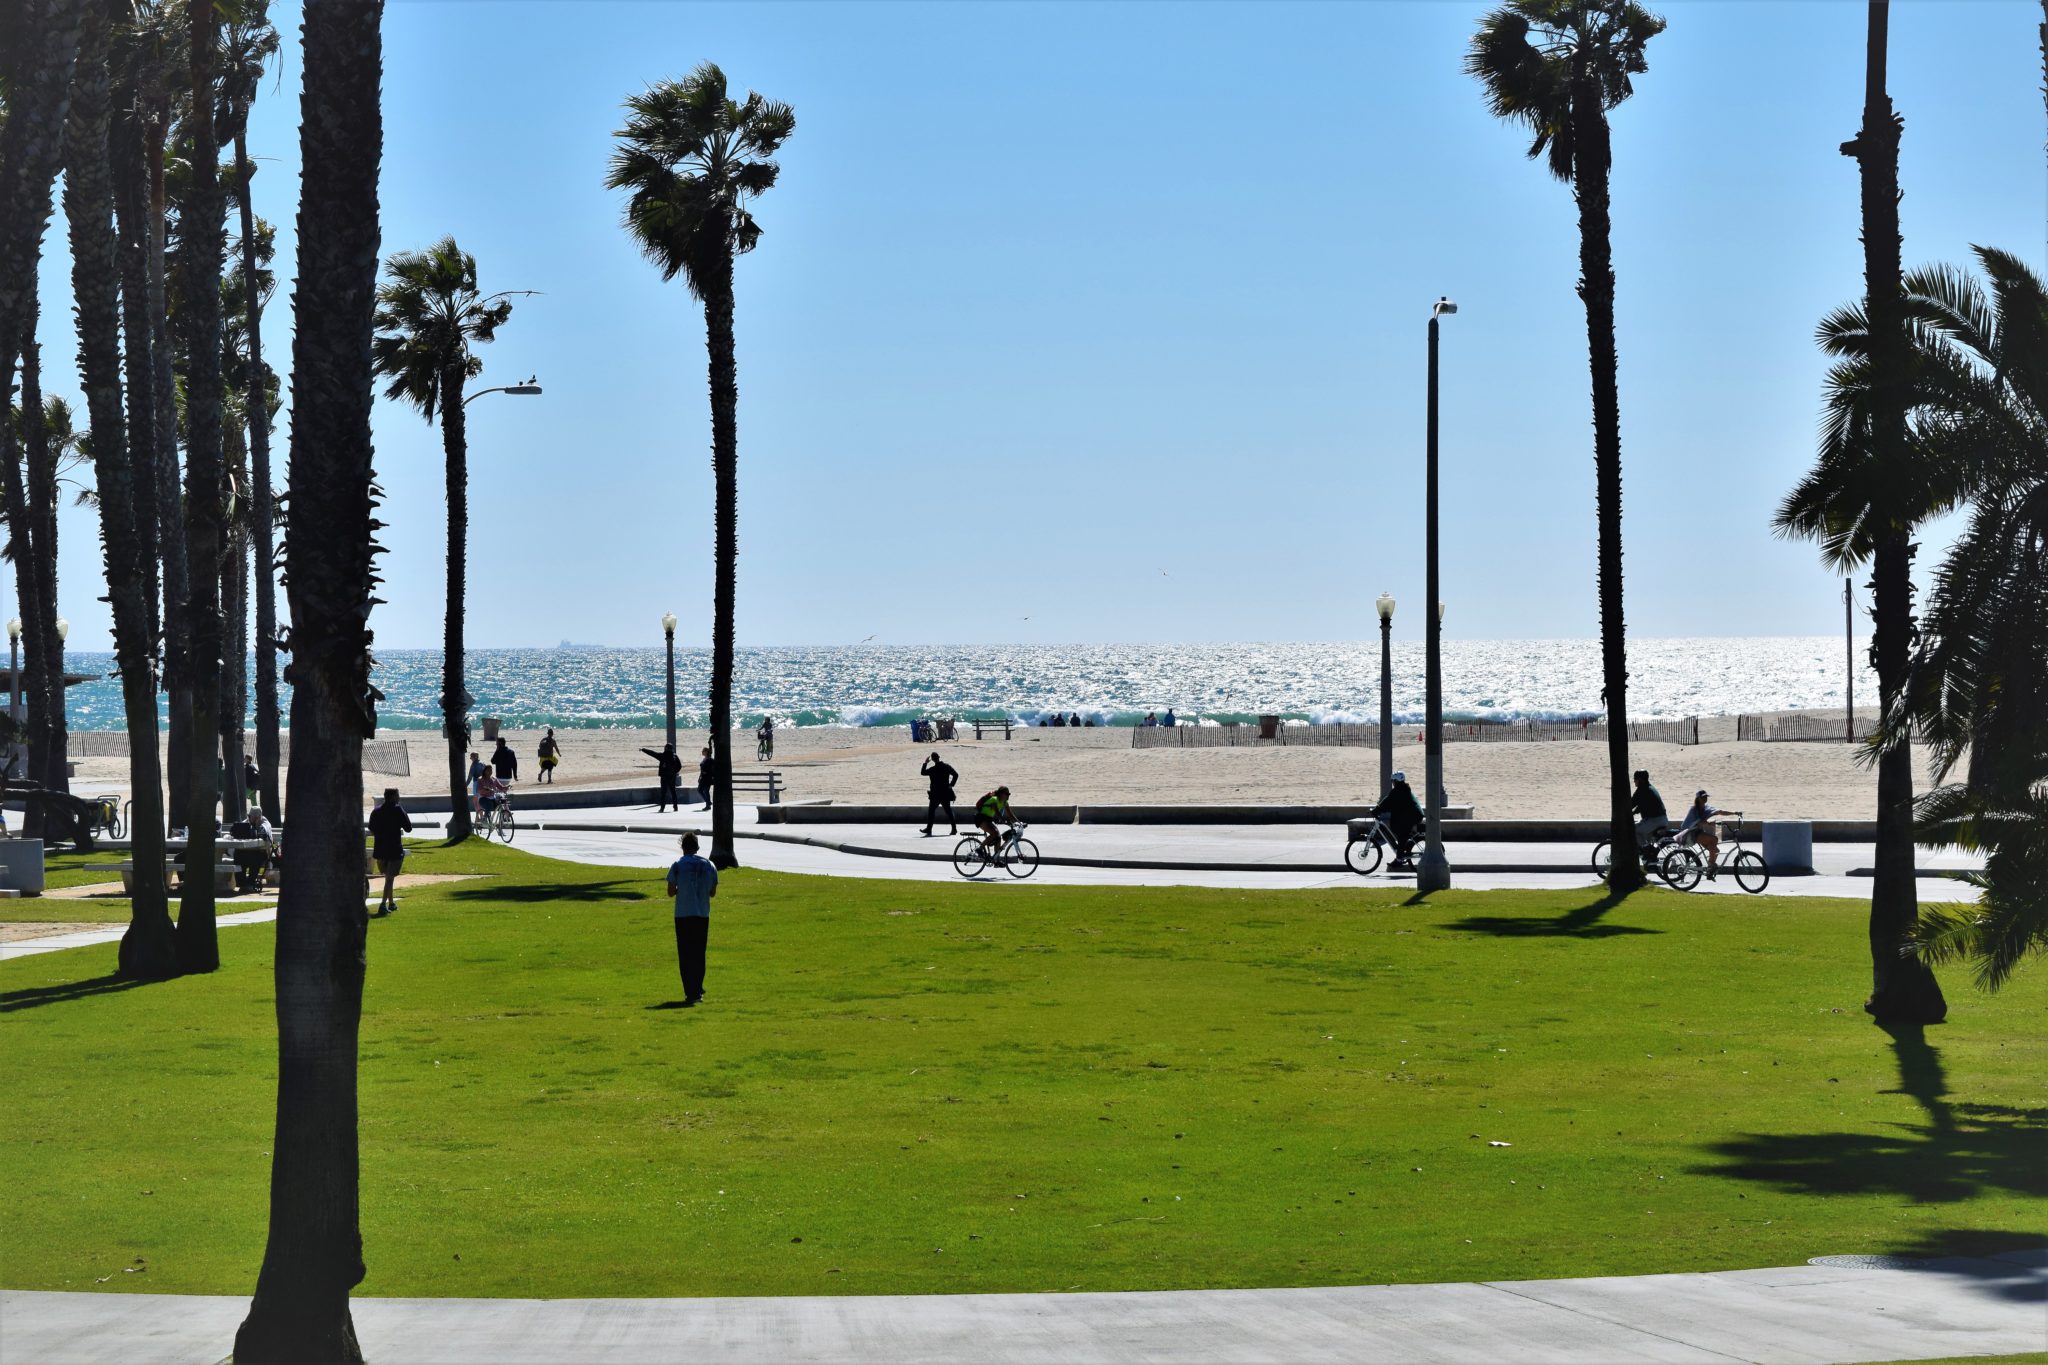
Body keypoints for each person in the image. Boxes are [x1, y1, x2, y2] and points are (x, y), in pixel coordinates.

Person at [666, 831, 718, 1006]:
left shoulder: (677, 865)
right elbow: (712, 892)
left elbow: (671, 891)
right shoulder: (709, 865)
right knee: (699, 952)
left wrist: (683, 889)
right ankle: (697, 987)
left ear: (682, 847)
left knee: (685, 953)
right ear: (697, 847)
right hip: (702, 914)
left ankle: (690, 990)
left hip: (683, 914)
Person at [367, 788, 412, 916]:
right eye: (398, 795)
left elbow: (371, 828)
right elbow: (408, 828)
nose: (399, 798)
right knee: (389, 879)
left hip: (380, 850)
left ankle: (391, 903)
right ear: (393, 797)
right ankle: (383, 904)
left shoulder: (376, 811)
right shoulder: (398, 810)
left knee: (388, 877)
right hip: (394, 850)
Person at [1370, 771, 1425, 871]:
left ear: (1396, 781)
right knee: (1400, 831)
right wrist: (1379, 809)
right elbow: (1390, 801)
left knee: (1402, 833)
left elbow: (1388, 801)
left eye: (1393, 781)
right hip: (1411, 815)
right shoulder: (1402, 789)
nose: (1392, 783)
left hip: (1413, 816)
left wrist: (1377, 810)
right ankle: (1402, 851)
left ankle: (1399, 859)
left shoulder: (1399, 791)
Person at [1679, 790, 1729, 879]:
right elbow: (1698, 823)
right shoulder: (1693, 809)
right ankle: (1711, 866)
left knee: (1716, 850)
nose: (1705, 798)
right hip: (1690, 834)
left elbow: (1720, 811)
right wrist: (1710, 824)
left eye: (1706, 797)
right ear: (1698, 799)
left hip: (1699, 832)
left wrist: (1735, 813)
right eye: (1703, 797)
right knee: (1714, 839)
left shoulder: (1706, 808)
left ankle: (1710, 872)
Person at [1630, 770, 1669, 865]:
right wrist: (1634, 812)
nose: (1634, 781)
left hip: (1655, 820)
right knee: (1642, 830)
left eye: (1635, 779)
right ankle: (1648, 859)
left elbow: (1631, 804)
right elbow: (1642, 805)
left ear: (1640, 780)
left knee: (1634, 830)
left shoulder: (1642, 790)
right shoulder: (1649, 788)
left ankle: (1647, 852)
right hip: (1660, 819)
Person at [920, 751, 960, 836]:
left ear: (933, 760)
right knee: (948, 811)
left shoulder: (932, 769)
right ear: (939, 757)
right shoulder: (946, 767)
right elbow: (956, 775)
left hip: (935, 794)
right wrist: (951, 785)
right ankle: (954, 829)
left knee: (931, 811)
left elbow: (922, 772)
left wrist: (925, 763)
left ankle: (929, 829)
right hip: (945, 793)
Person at [640, 743, 684, 812]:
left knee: (663, 793)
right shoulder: (675, 756)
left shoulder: (663, 756)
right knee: (673, 792)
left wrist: (643, 750)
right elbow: (679, 766)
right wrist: (674, 772)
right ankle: (675, 807)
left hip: (664, 777)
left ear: (665, 748)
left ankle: (662, 808)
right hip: (672, 777)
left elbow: (652, 753)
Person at [974, 785, 1013, 855]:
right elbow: (997, 812)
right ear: (1001, 794)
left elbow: (1010, 814)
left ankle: (996, 860)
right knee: (994, 833)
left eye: (1009, 794)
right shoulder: (994, 799)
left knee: (998, 837)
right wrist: (1003, 820)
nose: (1008, 796)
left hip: (988, 819)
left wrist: (1019, 823)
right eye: (1006, 794)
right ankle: (979, 848)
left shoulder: (1004, 802)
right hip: (981, 818)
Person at [466, 750, 488, 818]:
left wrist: (465, 785)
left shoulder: (474, 765)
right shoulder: (483, 763)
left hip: (476, 783)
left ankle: (480, 817)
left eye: (471, 757)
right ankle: (481, 816)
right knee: (481, 800)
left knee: (476, 801)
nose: (470, 758)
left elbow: (470, 776)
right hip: (484, 783)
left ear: (474, 757)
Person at [697, 746, 716, 810]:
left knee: (706, 791)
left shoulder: (710, 760)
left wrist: (707, 773)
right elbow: (702, 769)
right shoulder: (704, 759)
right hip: (703, 778)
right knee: (700, 790)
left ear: (706, 752)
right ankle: (708, 802)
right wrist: (699, 777)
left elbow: (713, 769)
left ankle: (708, 805)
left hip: (708, 778)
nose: (702, 752)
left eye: (703, 751)